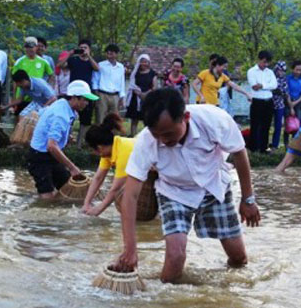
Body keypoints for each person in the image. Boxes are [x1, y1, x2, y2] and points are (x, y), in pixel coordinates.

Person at [113, 88, 262, 282]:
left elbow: (239, 153)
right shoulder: (145, 142)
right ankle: (164, 304)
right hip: (173, 192)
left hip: (213, 186)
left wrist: (248, 199)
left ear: (186, 117)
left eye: (168, 133)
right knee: (175, 256)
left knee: (238, 258)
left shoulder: (214, 119)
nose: (164, 141)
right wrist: (130, 250)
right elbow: (130, 196)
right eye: (157, 135)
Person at [26, 80, 98, 199]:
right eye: (85, 100)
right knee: (47, 197)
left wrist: (65, 136)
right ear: (74, 98)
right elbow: (51, 146)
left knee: (66, 188)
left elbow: (45, 117)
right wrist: (72, 167)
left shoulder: (63, 104)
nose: (86, 103)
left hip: (51, 155)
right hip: (40, 157)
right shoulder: (61, 115)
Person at [81, 113, 132, 216]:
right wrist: (86, 204)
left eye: (92, 149)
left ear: (99, 148)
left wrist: (99, 209)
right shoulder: (108, 152)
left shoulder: (124, 150)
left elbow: (116, 188)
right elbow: (98, 178)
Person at [65, 40, 99, 148]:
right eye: (81, 47)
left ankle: (79, 145)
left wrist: (89, 56)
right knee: (69, 119)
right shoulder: (73, 60)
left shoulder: (90, 61)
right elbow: (60, 65)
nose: (83, 50)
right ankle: (66, 143)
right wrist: (69, 54)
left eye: (85, 48)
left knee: (85, 121)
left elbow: (97, 68)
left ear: (89, 49)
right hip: (73, 93)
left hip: (86, 93)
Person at [12, 37, 53, 115]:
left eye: (32, 47)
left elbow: (51, 75)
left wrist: (46, 86)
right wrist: (14, 97)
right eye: (27, 47)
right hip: (22, 96)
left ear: (36, 47)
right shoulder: (19, 61)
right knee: (19, 118)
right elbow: (15, 81)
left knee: (34, 121)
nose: (30, 50)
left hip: (37, 97)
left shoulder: (43, 62)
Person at [247, 51, 278, 153]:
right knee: (255, 125)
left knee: (266, 125)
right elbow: (254, 86)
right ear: (259, 59)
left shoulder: (270, 72)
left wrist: (263, 85)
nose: (266, 64)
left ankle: (263, 148)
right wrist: (265, 85)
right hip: (257, 101)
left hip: (268, 101)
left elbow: (274, 85)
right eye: (264, 62)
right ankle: (253, 148)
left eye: (267, 63)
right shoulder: (251, 71)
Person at [125, 54, 158, 137]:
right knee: (134, 119)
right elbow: (132, 85)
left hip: (148, 99)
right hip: (135, 99)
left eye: (145, 62)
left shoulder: (152, 73)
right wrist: (139, 94)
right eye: (142, 62)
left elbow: (154, 87)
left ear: (149, 63)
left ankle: (147, 138)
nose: (143, 64)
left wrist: (145, 94)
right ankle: (133, 137)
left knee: (146, 120)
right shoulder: (135, 73)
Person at [94, 44, 125, 124]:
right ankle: (100, 135)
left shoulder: (120, 67)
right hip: (102, 94)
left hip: (115, 95)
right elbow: (95, 79)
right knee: (100, 117)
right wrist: (97, 94)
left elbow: (122, 82)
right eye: (107, 53)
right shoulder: (101, 65)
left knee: (114, 118)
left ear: (116, 54)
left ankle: (112, 135)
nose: (109, 55)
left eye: (111, 53)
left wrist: (122, 96)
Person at [285, 61, 301, 145]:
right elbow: (286, 92)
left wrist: (295, 103)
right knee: (288, 123)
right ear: (292, 69)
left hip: (298, 103)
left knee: (297, 124)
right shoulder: (288, 78)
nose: (298, 72)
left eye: (300, 70)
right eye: (297, 69)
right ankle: (286, 144)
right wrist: (291, 106)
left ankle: (294, 143)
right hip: (288, 101)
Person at [271, 61, 290, 149]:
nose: (281, 72)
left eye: (283, 70)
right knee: (265, 125)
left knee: (278, 126)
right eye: (279, 70)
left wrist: (278, 91)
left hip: (280, 105)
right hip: (269, 103)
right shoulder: (270, 77)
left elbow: (285, 92)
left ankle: (275, 144)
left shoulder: (284, 79)